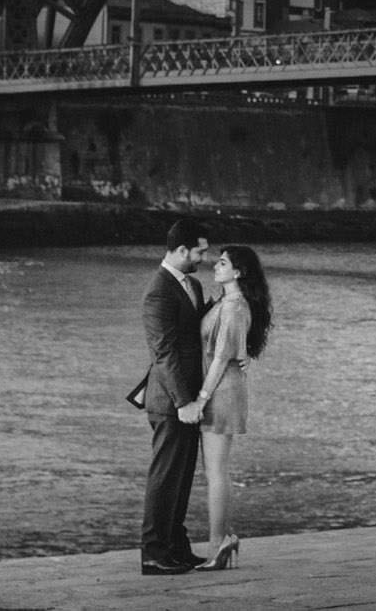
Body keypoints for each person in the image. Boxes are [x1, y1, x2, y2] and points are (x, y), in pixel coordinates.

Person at [190, 245, 274, 569]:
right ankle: (224, 538)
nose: (216, 266)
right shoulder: (226, 303)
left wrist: (201, 398)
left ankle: (218, 543)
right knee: (216, 472)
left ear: (237, 272)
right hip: (221, 389)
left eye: (222, 263)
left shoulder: (234, 307)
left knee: (216, 473)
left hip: (220, 393)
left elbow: (223, 357)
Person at [138, 218, 212, 575]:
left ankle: (176, 548)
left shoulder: (193, 285)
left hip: (190, 399)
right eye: (200, 250)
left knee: (181, 478)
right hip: (171, 402)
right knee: (165, 476)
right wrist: (184, 402)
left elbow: (195, 333)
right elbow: (163, 351)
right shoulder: (158, 291)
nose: (204, 256)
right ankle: (153, 552)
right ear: (182, 250)